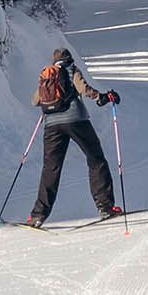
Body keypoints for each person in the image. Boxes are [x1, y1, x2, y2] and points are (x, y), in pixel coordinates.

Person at [26, 47, 122, 226]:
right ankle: (105, 207)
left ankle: (38, 215)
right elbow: (83, 88)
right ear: (69, 59)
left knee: (50, 169)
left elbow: (34, 100)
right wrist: (101, 97)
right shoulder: (71, 70)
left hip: (51, 126)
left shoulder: (48, 75)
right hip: (76, 120)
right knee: (96, 159)